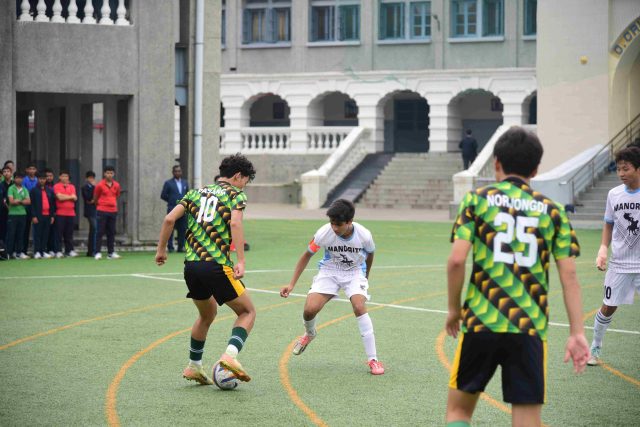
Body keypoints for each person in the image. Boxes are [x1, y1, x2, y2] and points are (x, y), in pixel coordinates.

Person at [445, 127, 589, 427]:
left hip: (481, 319)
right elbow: (570, 277)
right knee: (526, 419)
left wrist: (454, 310)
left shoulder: (477, 200)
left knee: (459, 412)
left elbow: (457, 260)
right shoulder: (553, 212)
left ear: (496, 163)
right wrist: (577, 332)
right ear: (535, 169)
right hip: (529, 325)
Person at [155, 153, 257, 385]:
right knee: (247, 312)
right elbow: (235, 223)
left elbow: (169, 219)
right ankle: (229, 356)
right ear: (238, 176)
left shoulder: (195, 193)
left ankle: (194, 366)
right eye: (246, 180)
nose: (245, 185)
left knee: (207, 314)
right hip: (216, 265)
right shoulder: (236, 194)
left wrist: (161, 250)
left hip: (191, 266)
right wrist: (241, 260)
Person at [280, 199, 385, 375]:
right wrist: (291, 284)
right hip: (329, 271)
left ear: (349, 222)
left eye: (338, 224)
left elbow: (370, 255)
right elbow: (306, 255)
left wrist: (365, 277)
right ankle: (310, 334)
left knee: (359, 306)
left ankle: (373, 359)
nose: (334, 228)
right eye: (332, 223)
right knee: (309, 310)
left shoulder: (364, 235)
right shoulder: (323, 233)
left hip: (354, 272)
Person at [588, 146, 640, 366]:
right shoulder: (614, 194)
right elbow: (608, 224)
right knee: (608, 306)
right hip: (620, 263)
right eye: (618, 169)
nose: (621, 173)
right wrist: (602, 248)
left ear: (638, 168)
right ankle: (595, 347)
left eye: (625, 168)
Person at [93, 165, 121, 260]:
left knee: (111, 232)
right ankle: (97, 252)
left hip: (113, 211)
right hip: (102, 210)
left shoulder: (117, 185)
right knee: (99, 232)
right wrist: (101, 205)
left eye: (111, 173)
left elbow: (117, 196)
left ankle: (111, 253)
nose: (109, 175)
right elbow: (95, 198)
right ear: (104, 174)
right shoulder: (100, 185)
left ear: (114, 174)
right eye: (108, 173)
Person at [160, 165, 189, 252]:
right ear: (173, 172)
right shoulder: (168, 183)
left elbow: (187, 194)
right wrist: (171, 200)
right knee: (170, 228)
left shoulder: (185, 182)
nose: (177, 173)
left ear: (181, 172)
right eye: (176, 171)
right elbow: (163, 195)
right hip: (172, 208)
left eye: (179, 171)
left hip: (182, 209)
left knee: (182, 228)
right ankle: (170, 247)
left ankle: (181, 246)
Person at [30, 172, 55, 259]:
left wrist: (52, 216)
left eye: (43, 179)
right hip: (38, 215)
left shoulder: (49, 190)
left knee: (45, 234)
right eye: (40, 179)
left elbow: (52, 204)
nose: (42, 180)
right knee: (37, 234)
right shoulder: (34, 190)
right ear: (38, 179)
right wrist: (33, 216)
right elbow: (32, 204)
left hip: (47, 215)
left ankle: (43, 251)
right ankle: (37, 252)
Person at [6, 172, 31, 259]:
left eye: (21, 178)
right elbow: (11, 201)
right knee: (11, 234)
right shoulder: (11, 188)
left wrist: (18, 201)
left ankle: (19, 253)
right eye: (17, 178)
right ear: (14, 178)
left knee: (21, 235)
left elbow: (28, 201)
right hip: (13, 215)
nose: (19, 179)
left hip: (22, 214)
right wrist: (22, 201)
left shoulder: (25, 189)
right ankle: (9, 253)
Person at [53, 170, 78, 257]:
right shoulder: (56, 186)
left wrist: (65, 196)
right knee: (58, 233)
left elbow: (75, 198)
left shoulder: (72, 186)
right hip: (60, 213)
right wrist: (70, 197)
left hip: (71, 213)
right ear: (59, 177)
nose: (64, 178)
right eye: (63, 176)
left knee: (69, 234)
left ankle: (69, 250)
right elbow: (59, 197)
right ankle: (58, 251)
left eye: (66, 176)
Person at [81, 171, 98, 257]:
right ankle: (92, 250)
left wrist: (94, 200)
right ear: (86, 179)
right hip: (89, 211)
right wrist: (94, 188)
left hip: (96, 209)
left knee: (93, 230)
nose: (91, 179)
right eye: (90, 178)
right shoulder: (84, 187)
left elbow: (98, 197)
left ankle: (91, 251)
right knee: (94, 228)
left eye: (92, 178)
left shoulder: (96, 187)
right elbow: (87, 197)